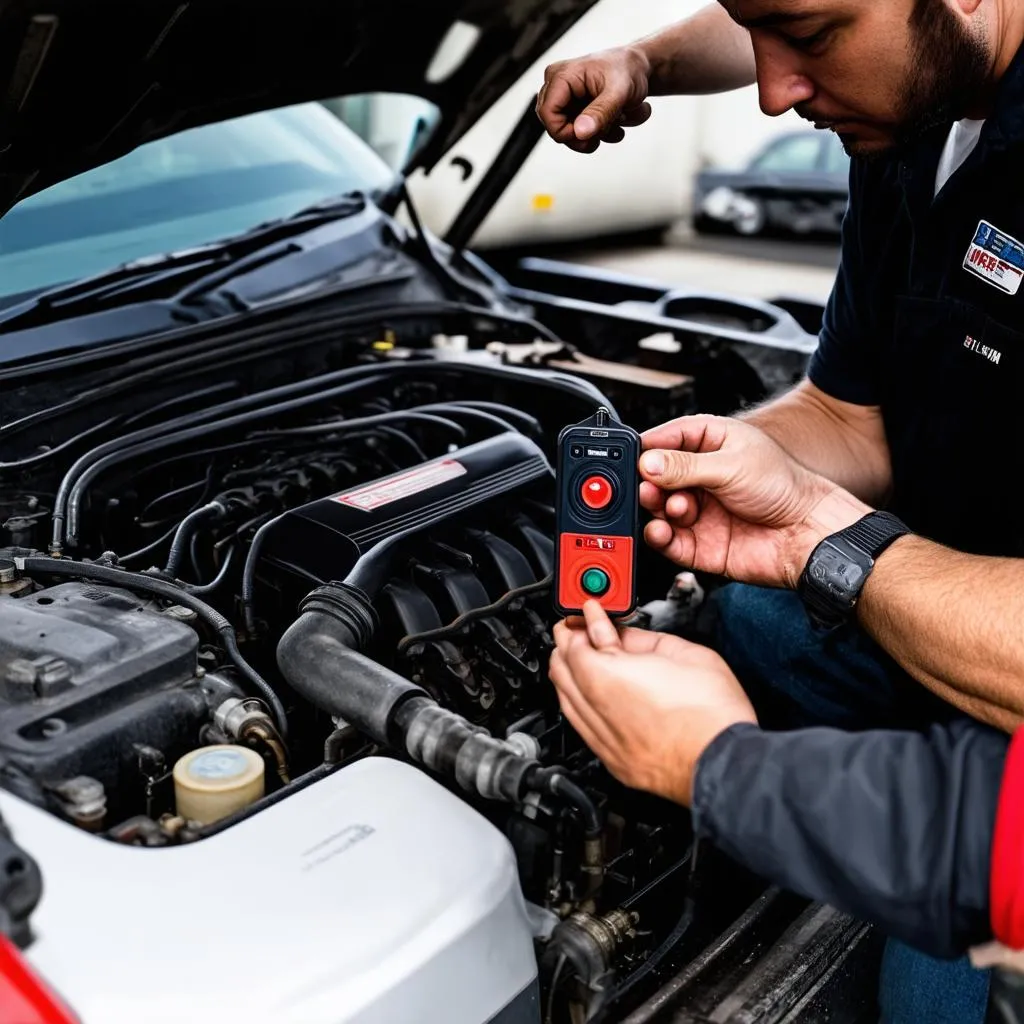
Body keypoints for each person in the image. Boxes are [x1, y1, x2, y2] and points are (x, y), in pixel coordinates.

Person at [537, 0, 1024, 1020]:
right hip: (941, 590)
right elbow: (851, 415)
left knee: (926, 999)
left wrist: (726, 770)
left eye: (808, 38)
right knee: (753, 614)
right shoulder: (907, 112)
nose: (770, 91)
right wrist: (715, 464)